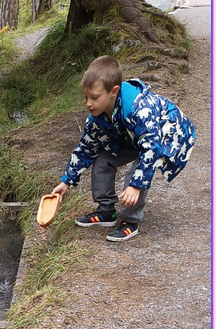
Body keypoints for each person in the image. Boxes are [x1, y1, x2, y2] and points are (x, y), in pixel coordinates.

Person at [50, 55, 195, 241]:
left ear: (113, 91)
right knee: (103, 160)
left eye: (94, 97)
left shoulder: (139, 110)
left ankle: (130, 221)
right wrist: (66, 182)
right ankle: (106, 211)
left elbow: (151, 149)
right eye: (86, 97)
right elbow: (85, 148)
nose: (88, 103)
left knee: (135, 176)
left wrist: (136, 185)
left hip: (165, 135)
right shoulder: (96, 118)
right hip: (131, 137)